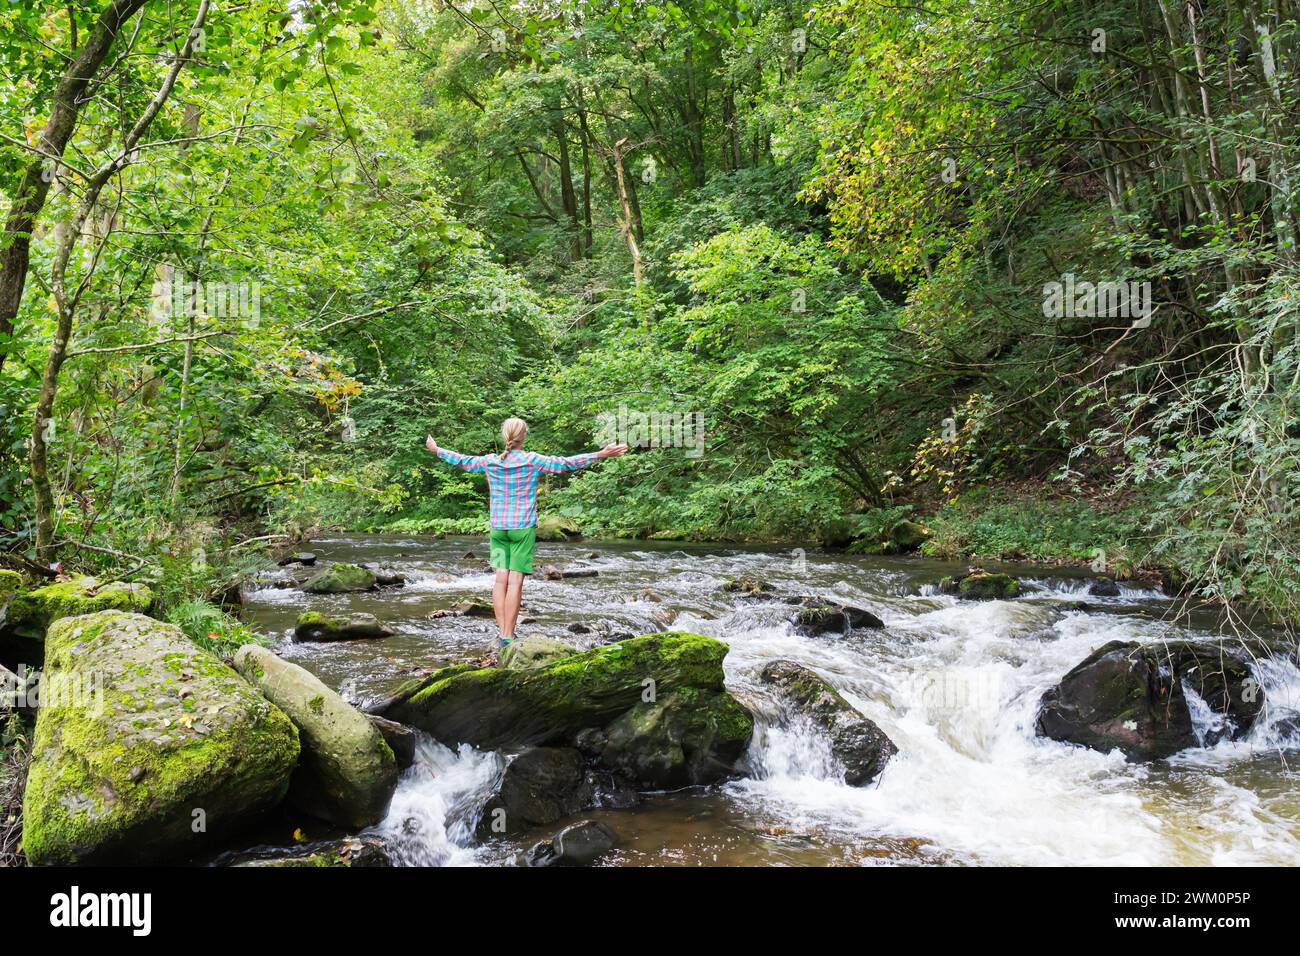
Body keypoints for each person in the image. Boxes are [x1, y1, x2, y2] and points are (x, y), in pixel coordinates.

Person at [425, 418, 628, 647]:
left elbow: (462, 460)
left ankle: (503, 633)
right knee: (515, 583)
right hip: (521, 529)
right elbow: (565, 463)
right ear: (524, 436)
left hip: (498, 529)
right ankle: (508, 636)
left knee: (500, 580)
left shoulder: (490, 461)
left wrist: (436, 450)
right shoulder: (532, 460)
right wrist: (600, 454)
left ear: (505, 436)